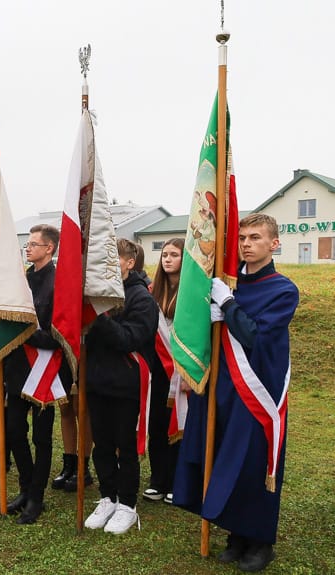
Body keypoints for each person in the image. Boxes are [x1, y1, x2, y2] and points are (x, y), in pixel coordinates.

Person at [173, 214, 298, 572]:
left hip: (259, 388)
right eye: (242, 237)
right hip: (221, 384)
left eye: (255, 237)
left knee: (255, 462)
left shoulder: (283, 289)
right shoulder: (227, 282)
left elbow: (256, 337)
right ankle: (235, 533)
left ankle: (260, 540)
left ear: (274, 243)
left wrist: (227, 306)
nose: (246, 243)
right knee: (225, 455)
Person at [84, 237, 158, 534]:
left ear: (129, 262)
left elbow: (131, 339)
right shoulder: (97, 292)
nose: (109, 265)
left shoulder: (141, 297)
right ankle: (107, 498)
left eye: (115, 259)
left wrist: (98, 317)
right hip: (97, 381)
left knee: (124, 447)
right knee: (101, 445)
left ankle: (127, 505)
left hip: (127, 385)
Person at [4, 224, 71, 524]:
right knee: (14, 429)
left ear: (50, 248)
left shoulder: (60, 282)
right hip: (19, 369)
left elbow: (58, 334)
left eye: (34, 244)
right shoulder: (23, 280)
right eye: (27, 244)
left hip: (48, 370)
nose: (28, 248)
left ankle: (37, 496)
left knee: (42, 438)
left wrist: (25, 333)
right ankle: (26, 487)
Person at [142, 238, 185, 503]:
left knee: (180, 424)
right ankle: (158, 479)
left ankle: (177, 481)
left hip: (183, 371)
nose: (167, 259)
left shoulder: (192, 292)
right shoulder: (151, 291)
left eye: (174, 254)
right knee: (157, 424)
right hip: (157, 369)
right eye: (165, 254)